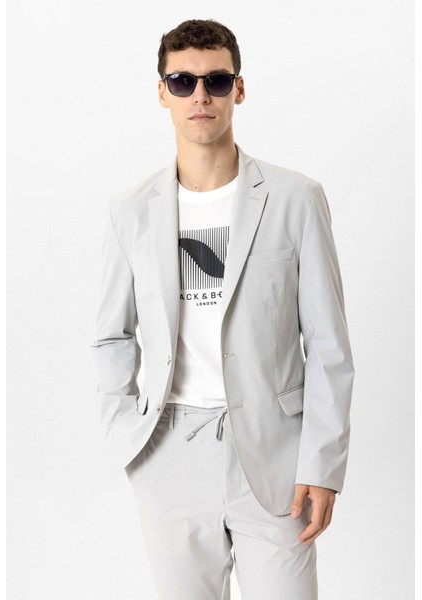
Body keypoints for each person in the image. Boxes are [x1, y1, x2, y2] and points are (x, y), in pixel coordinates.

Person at [90, 18, 354, 600]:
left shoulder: (296, 199)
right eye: (182, 81)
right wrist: (127, 438)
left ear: (239, 88)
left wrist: (322, 463)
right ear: (162, 92)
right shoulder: (130, 212)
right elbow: (112, 336)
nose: (200, 96)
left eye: (215, 80)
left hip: (276, 452)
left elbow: (328, 343)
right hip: (168, 451)